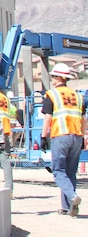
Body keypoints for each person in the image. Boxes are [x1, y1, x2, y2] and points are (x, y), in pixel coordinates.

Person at [40, 62, 86, 217]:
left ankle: (73, 197)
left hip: (61, 135)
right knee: (70, 173)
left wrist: (43, 136)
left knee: (59, 171)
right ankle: (68, 208)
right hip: (77, 136)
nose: (52, 79)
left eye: (53, 76)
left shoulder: (52, 94)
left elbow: (48, 118)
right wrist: (84, 137)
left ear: (59, 77)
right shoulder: (78, 96)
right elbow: (84, 119)